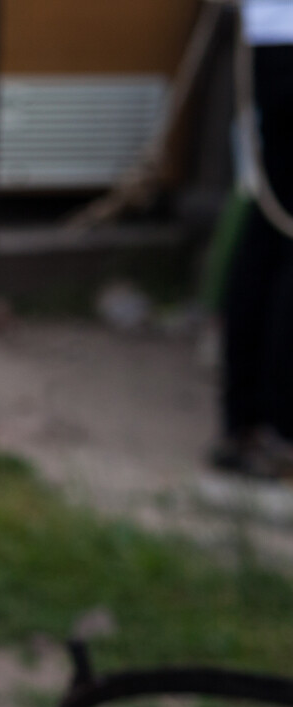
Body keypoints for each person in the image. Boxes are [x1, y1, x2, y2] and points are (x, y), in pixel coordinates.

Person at [216, 0, 293, 478]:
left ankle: (246, 421)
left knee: (269, 231)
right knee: (280, 235)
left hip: (271, 39)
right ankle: (278, 428)